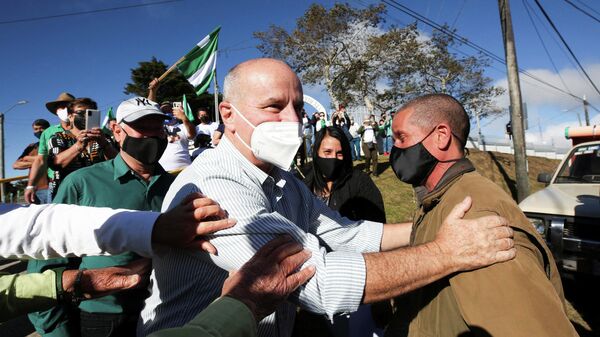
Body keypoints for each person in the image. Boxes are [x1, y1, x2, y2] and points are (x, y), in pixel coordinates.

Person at [139, 58, 516, 337]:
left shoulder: (285, 181)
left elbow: (345, 234)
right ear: (229, 114)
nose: (292, 121)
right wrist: (447, 253)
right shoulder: (214, 184)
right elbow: (319, 283)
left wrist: (426, 225)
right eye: (274, 107)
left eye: (298, 108)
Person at [387, 93, 577, 337]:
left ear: (441, 136)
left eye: (401, 137)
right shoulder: (437, 203)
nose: (395, 148)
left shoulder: (475, 215)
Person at [47, 97, 176, 337]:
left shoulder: (179, 186)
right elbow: (50, 260)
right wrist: (56, 328)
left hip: (169, 310)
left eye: (157, 128)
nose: (152, 136)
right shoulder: (82, 183)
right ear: (117, 130)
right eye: (142, 128)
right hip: (103, 316)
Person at [299, 125, 386, 337]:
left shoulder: (359, 181)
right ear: (316, 151)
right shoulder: (301, 180)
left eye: (339, 153)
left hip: (351, 274)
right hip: (311, 276)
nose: (334, 158)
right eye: (327, 153)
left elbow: (377, 224)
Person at [46, 97, 117, 198]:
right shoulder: (59, 137)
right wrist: (78, 146)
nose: (86, 116)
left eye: (90, 113)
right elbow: (55, 163)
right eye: (81, 112)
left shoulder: (104, 138)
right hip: (70, 195)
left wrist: (104, 144)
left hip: (100, 193)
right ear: (70, 116)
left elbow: (118, 162)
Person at [25, 92, 75, 204]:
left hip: (83, 179)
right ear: (56, 111)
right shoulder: (48, 133)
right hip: (57, 183)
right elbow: (40, 160)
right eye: (61, 107)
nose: (65, 110)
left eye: (68, 106)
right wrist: (30, 185)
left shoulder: (84, 129)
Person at [14, 119, 51, 203]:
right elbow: (16, 165)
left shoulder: (55, 143)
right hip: (35, 189)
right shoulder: (31, 147)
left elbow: (54, 159)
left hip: (51, 187)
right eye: (36, 129)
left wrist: (28, 158)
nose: (38, 131)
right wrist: (39, 162)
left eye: (41, 128)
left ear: (48, 129)